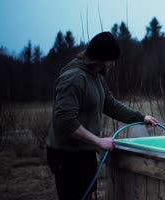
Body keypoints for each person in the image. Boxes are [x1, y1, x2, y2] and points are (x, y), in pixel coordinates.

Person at [46, 31, 158, 200]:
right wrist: (99, 141)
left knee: (88, 195)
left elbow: (110, 105)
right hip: (66, 155)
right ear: (101, 58)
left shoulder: (95, 76)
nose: (113, 64)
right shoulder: (73, 78)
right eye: (111, 60)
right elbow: (65, 121)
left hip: (84, 151)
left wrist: (141, 118)